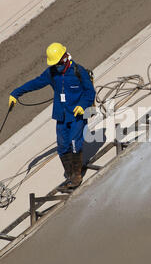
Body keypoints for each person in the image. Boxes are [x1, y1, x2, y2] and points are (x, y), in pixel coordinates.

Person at [9, 43, 96, 192]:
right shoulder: (52, 73)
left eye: (57, 63)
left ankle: (76, 178)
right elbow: (36, 82)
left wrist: (82, 105)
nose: (56, 66)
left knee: (75, 144)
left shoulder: (78, 71)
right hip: (61, 116)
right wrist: (16, 93)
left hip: (76, 116)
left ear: (64, 57)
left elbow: (90, 92)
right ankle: (70, 175)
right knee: (62, 146)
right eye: (54, 64)